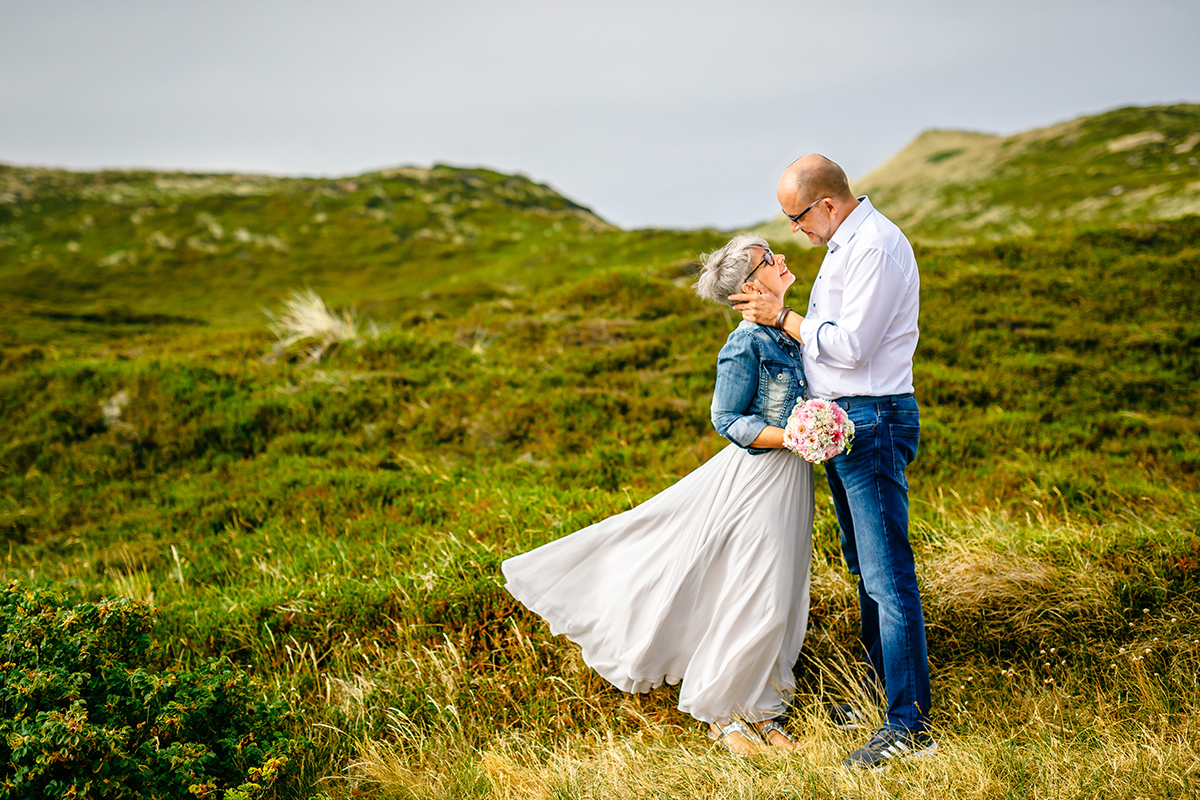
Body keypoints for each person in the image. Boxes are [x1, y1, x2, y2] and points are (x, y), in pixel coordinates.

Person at [502, 235, 815, 757]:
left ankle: (763, 710)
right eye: (769, 258)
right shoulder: (744, 342)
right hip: (760, 476)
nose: (781, 258)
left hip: (791, 479)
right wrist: (795, 438)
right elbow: (727, 419)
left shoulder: (788, 331)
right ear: (751, 283)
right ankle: (724, 713)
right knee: (756, 591)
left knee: (782, 593)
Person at [730, 154, 935, 770]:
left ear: (825, 204)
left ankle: (908, 724)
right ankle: (880, 695)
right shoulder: (846, 248)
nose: (793, 230)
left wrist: (782, 318)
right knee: (864, 569)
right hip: (847, 424)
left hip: (872, 419)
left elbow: (851, 346)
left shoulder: (873, 246)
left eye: (796, 216)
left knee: (888, 574)